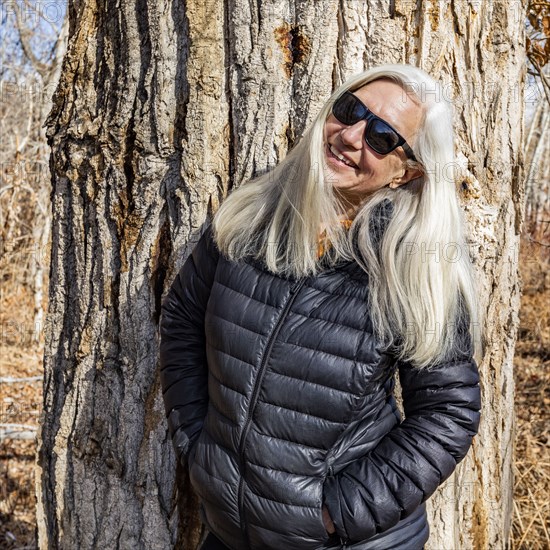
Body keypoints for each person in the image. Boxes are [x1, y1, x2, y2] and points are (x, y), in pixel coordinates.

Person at [159, 63, 483, 550]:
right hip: (231, 533)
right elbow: (184, 317)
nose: (350, 136)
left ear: (408, 172)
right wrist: (198, 445)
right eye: (349, 110)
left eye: (381, 137)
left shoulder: (413, 267)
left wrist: (337, 512)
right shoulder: (256, 213)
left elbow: (448, 411)